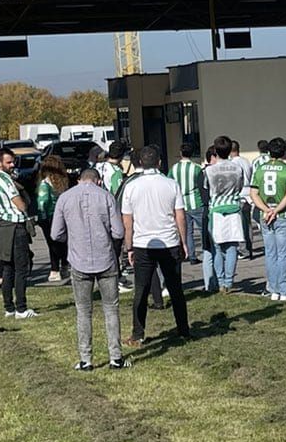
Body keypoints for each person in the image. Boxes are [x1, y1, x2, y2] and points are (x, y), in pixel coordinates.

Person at [53, 163, 126, 370]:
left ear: (79, 180)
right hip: (106, 259)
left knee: (83, 311)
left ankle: (86, 359)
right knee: (111, 308)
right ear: (99, 180)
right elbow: (118, 232)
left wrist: (72, 238)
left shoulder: (65, 198)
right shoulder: (105, 196)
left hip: (79, 260)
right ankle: (116, 357)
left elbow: (55, 233)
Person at [120, 145, 191, 346]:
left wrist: (129, 246)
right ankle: (183, 329)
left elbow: (128, 220)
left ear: (140, 163)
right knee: (176, 289)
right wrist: (183, 241)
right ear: (159, 162)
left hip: (143, 244)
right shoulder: (170, 184)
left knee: (141, 291)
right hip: (169, 242)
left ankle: (137, 333)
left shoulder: (131, 186)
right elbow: (180, 215)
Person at [0, 147, 37, 320]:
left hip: (4, 226)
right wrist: (24, 202)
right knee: (20, 268)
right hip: (14, 225)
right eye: (8, 162)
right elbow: (20, 204)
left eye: (13, 161)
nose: (12, 165)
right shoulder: (5, 180)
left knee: (8, 268)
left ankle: (9, 307)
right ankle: (21, 308)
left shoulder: (1, 179)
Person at [252, 143, 286, 302]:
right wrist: (276, 210)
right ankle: (284, 289)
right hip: (283, 215)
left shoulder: (260, 168)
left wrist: (266, 210)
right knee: (284, 254)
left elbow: (254, 193)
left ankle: (273, 289)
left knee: (271, 254)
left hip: (265, 216)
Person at [204, 137, 245, 292]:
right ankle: (228, 282)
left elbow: (207, 188)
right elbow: (240, 187)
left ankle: (221, 281)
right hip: (233, 208)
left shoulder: (209, 170)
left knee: (217, 247)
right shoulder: (237, 168)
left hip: (216, 210)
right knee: (232, 247)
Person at [36, 154, 71, 283]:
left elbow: (42, 201)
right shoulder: (61, 182)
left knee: (52, 244)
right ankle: (65, 265)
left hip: (49, 217)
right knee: (62, 242)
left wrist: (41, 217)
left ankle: (54, 270)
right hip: (62, 216)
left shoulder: (45, 184)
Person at [172, 142, 206, 274]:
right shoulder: (197, 168)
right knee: (203, 229)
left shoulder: (174, 168)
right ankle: (206, 252)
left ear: (181, 153)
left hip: (181, 204)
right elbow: (202, 185)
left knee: (187, 232)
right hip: (196, 202)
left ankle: (191, 255)